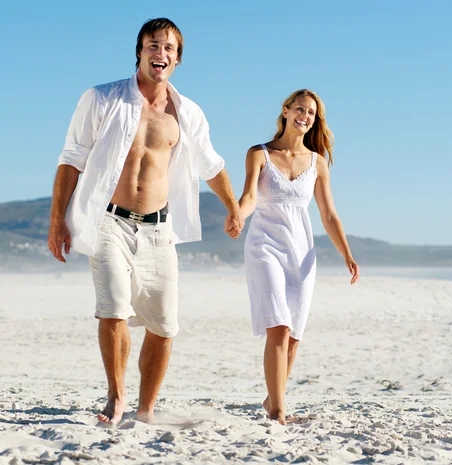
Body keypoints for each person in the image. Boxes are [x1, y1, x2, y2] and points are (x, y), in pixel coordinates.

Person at [47, 18, 241, 426]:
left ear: (177, 59)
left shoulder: (187, 113)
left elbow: (211, 163)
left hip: (158, 229)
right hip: (108, 222)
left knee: (164, 324)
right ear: (139, 51)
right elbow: (71, 159)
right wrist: (57, 221)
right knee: (114, 310)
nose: (161, 53)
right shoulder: (102, 99)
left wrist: (233, 207)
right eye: (154, 45)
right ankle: (116, 399)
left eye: (169, 48)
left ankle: (146, 409)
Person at [238, 89, 359, 424]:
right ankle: (278, 411)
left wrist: (346, 254)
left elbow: (329, 215)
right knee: (278, 326)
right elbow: (248, 197)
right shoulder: (258, 153)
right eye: (300, 109)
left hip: (301, 251)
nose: (305, 116)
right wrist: (238, 215)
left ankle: (271, 398)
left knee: (292, 337)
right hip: (264, 246)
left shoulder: (317, 162)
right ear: (286, 110)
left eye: (311, 113)